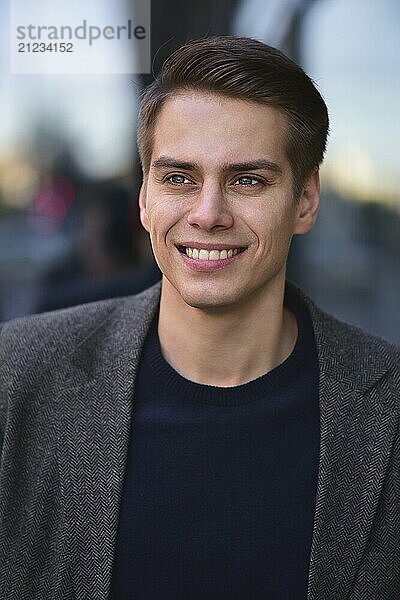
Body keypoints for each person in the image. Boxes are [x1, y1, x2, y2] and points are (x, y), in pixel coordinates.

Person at [0, 36, 399, 600]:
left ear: (305, 202)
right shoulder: (18, 377)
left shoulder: (390, 404)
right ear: (144, 199)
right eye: (179, 178)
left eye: (248, 180)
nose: (208, 214)